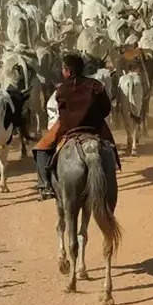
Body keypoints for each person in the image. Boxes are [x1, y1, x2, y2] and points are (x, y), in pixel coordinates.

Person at [33, 53, 120, 199]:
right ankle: (114, 168)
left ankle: (45, 186)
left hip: (68, 126)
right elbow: (106, 109)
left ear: (68, 72)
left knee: (41, 148)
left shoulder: (61, 90)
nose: (62, 71)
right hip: (95, 125)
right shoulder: (97, 85)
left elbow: (62, 112)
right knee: (110, 146)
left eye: (63, 69)